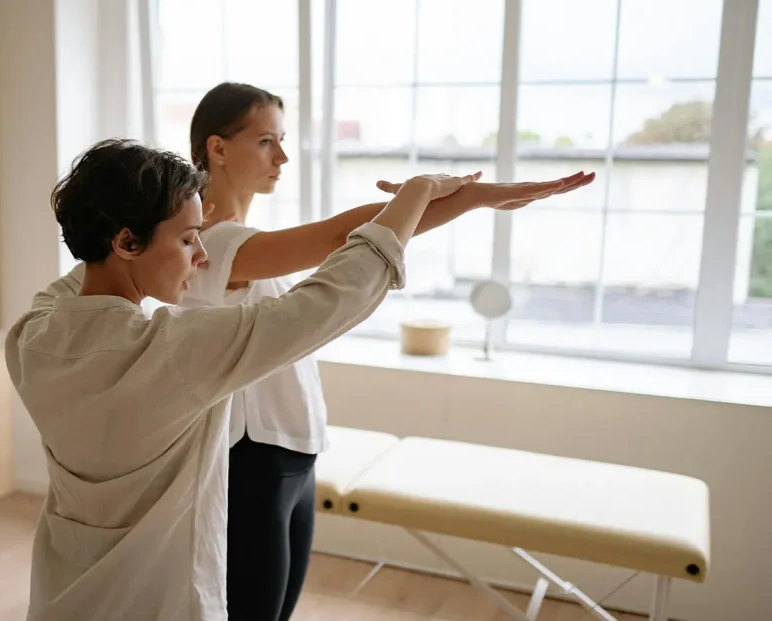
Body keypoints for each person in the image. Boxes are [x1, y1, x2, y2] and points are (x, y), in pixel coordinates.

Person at [42, 83, 596, 621]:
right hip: (254, 453)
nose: (282, 157)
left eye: (282, 140)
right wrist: (461, 198)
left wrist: (436, 197)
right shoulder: (220, 244)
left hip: (293, 445)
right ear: (217, 147)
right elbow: (342, 241)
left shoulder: (208, 246)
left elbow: (352, 234)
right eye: (266, 141)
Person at [6, 137, 480, 621]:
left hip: (63, 600)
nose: (202, 257)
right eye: (188, 240)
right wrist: (416, 192)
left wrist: (155, 222)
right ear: (127, 242)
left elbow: (81, 278)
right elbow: (328, 300)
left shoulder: (30, 337)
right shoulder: (176, 351)